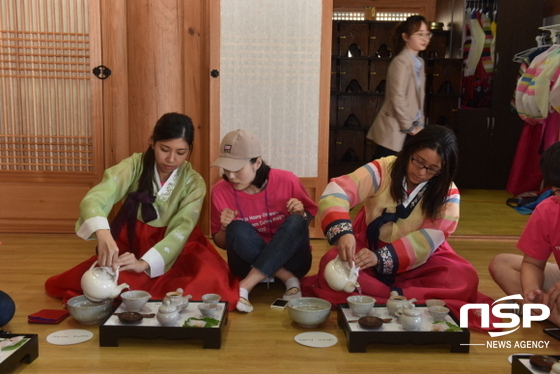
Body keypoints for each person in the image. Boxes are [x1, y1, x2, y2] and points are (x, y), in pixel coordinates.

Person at [301, 125, 499, 331]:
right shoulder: (383, 168)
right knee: (329, 263)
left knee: (463, 278)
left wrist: (380, 258)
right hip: (367, 245)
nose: (421, 172)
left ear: (443, 169)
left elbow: (428, 239)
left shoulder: (448, 193)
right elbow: (338, 191)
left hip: (421, 258)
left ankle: (383, 294)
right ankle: (401, 297)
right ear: (409, 151)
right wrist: (344, 233)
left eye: (432, 169)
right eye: (418, 161)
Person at [45, 112, 239, 310]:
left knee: (211, 281)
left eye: (181, 152)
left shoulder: (194, 182)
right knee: (101, 281)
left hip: (179, 245)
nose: (171, 159)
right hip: (133, 241)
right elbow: (95, 198)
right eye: (165, 149)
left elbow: (182, 228)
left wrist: (144, 264)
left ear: (189, 150)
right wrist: (103, 234)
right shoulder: (133, 166)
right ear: (153, 143)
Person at [210, 129, 318, 313]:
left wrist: (300, 213)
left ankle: (247, 285)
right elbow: (221, 242)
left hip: (294, 262)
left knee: (296, 221)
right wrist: (224, 228)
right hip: (245, 264)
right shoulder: (220, 191)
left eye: (237, 169)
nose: (231, 176)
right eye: (226, 169)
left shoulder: (286, 180)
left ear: (257, 163)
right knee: (236, 227)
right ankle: (287, 279)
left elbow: (306, 220)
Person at [489, 142, 560, 325]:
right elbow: (533, 263)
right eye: (557, 191)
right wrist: (531, 290)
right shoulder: (548, 209)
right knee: (502, 264)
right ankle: (545, 310)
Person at [367, 15, 431, 160]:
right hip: (395, 129)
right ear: (406, 37)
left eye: (427, 34)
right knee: (385, 172)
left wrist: (420, 122)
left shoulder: (419, 62)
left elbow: (420, 97)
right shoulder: (400, 62)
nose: (425, 39)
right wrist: (409, 126)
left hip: (412, 127)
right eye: (419, 34)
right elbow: (397, 97)